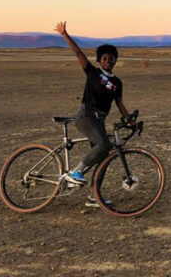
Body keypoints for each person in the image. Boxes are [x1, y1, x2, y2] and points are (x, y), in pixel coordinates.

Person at [55, 21, 135, 208]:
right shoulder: (93, 72)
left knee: (103, 157)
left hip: (100, 120)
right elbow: (78, 53)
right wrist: (65, 34)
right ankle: (76, 172)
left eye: (111, 58)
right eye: (104, 57)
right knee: (103, 144)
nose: (108, 60)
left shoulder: (117, 83)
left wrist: (129, 120)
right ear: (99, 60)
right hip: (86, 115)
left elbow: (120, 104)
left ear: (115, 60)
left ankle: (94, 197)